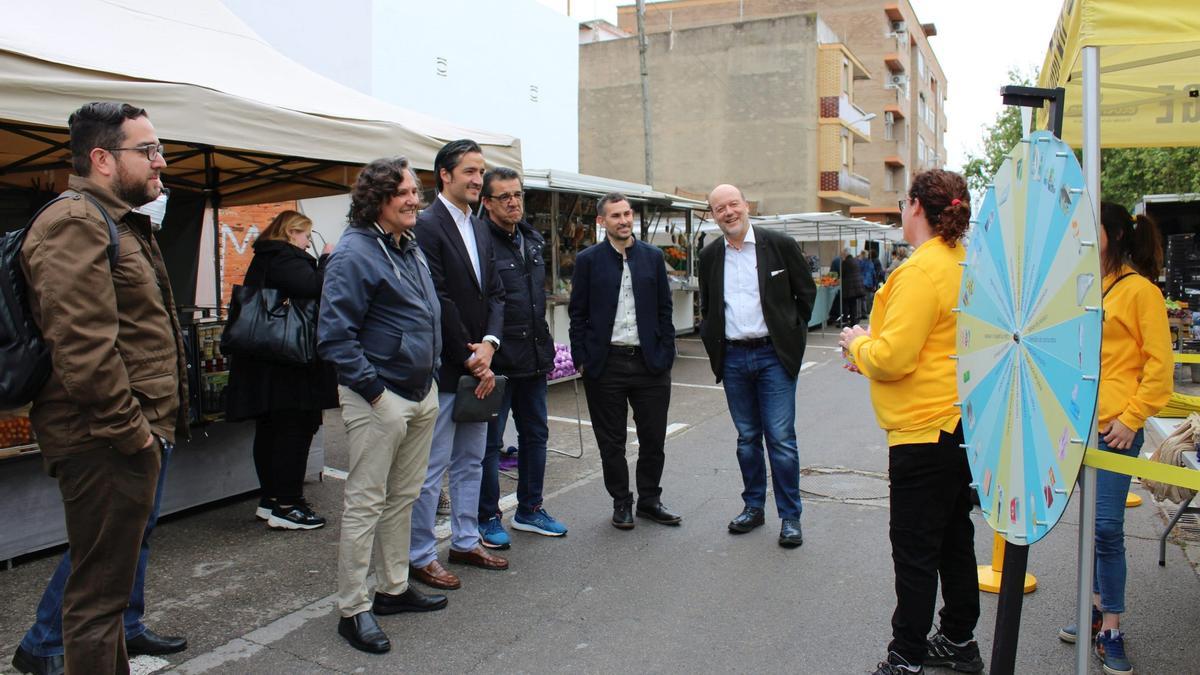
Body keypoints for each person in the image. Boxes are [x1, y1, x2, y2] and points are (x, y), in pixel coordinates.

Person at [14, 102, 189, 674]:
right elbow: (84, 349)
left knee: (107, 596)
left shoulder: (114, 220)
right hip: (103, 441)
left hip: (120, 436)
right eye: (148, 150)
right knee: (97, 601)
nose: (160, 162)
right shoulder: (75, 223)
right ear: (102, 159)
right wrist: (133, 437)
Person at [838, 170, 983, 675]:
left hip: (923, 429)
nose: (901, 211)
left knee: (916, 550)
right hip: (957, 422)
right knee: (952, 540)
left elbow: (895, 356)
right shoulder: (961, 260)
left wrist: (857, 343)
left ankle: (905, 657)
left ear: (917, 206)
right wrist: (874, 352)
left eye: (903, 202)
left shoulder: (921, 271)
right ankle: (959, 639)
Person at [318, 157, 447, 654]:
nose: (416, 200)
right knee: (365, 503)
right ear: (378, 200)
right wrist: (375, 393)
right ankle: (353, 608)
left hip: (419, 390)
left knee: (404, 496)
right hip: (380, 396)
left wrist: (429, 376)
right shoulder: (353, 253)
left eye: (416, 191)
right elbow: (335, 336)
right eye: (406, 193)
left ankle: (392, 589)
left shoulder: (406, 244)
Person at [1056, 202, 1171, 675]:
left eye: (1090, 227)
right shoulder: (1088, 287)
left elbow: (1160, 371)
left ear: (1114, 234)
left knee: (1106, 528)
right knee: (1092, 527)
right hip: (1080, 428)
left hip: (1115, 432)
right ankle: (1098, 612)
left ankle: (1113, 627)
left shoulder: (1140, 292)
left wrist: (1130, 419)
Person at [409, 139, 508, 589]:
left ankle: (466, 540)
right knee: (432, 467)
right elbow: (438, 299)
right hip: (449, 369)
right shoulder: (426, 225)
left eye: (480, 171)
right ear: (444, 175)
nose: (477, 179)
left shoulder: (482, 226)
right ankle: (419, 553)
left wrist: (489, 344)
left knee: (472, 460)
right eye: (469, 170)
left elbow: (497, 294)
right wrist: (471, 357)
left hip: (479, 366)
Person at [698, 184, 816, 548]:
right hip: (733, 357)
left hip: (772, 356)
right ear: (714, 215)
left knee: (780, 439)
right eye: (720, 208)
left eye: (733, 204)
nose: (728, 212)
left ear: (746, 206)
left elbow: (806, 294)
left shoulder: (777, 244)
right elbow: (709, 305)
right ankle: (753, 507)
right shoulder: (710, 255)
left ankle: (790, 517)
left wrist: (790, 334)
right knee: (747, 439)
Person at [568, 192, 680, 530]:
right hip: (606, 363)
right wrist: (582, 358)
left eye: (627, 214)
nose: (624, 220)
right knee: (611, 441)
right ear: (602, 222)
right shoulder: (588, 260)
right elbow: (578, 313)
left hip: (649, 363)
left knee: (653, 437)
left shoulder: (652, 256)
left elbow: (664, 309)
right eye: (615, 215)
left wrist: (666, 353)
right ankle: (621, 501)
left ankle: (650, 499)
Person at [225, 210, 338, 530]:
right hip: (289, 364)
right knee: (293, 430)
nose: (308, 242)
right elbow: (315, 286)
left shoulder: (268, 257)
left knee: (273, 430)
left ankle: (272, 499)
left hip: (270, 362)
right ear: (291, 233)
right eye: (306, 235)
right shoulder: (284, 257)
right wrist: (327, 259)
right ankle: (288, 504)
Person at [476, 167, 568, 549]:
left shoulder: (530, 239)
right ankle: (487, 517)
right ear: (487, 202)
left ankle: (530, 509)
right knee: (489, 444)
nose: (513, 202)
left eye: (517, 195)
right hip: (498, 361)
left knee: (536, 436)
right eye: (504, 197)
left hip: (533, 356)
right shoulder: (480, 241)